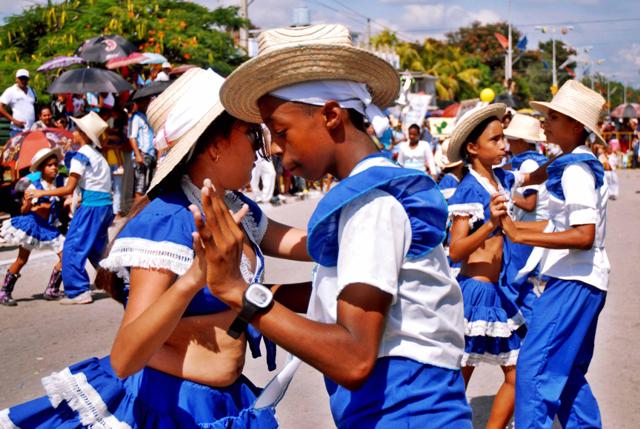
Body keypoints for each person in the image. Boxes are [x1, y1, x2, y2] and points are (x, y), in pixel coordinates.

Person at [0, 67, 307, 428]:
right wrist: (193, 278)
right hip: (167, 405)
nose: (262, 150)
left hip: (219, 399)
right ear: (215, 145)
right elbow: (125, 356)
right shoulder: (168, 221)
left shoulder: (237, 208)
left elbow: (303, 244)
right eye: (252, 136)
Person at [209, 24, 472, 428]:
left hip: (405, 411)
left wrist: (238, 293)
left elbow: (353, 358)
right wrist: (261, 295)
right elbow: (343, 290)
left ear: (331, 116)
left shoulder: (372, 206)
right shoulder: (366, 196)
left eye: (280, 131)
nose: (275, 149)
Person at [500, 80, 609, 429]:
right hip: (583, 280)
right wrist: (512, 227)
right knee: (567, 373)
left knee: (535, 371)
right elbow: (554, 223)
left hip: (573, 279)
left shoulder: (576, 170)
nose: (544, 123)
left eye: (553, 117)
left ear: (576, 126)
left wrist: (517, 231)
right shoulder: (573, 162)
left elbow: (583, 235)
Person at [446, 104, 529, 429]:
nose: (503, 145)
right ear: (472, 148)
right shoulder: (468, 189)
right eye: (495, 140)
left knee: (516, 372)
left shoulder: (501, 179)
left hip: (495, 293)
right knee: (459, 377)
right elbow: (455, 251)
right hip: (474, 293)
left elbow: (533, 176)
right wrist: (490, 224)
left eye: (503, 138)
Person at [26, 111, 113, 305]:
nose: (71, 132)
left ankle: (78, 291)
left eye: (75, 129)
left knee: (72, 247)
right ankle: (119, 282)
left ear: (82, 133)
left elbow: (69, 188)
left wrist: (41, 193)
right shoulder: (97, 156)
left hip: (91, 207)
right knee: (98, 250)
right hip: (104, 206)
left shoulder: (80, 156)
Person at [0, 148, 66, 305]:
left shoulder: (59, 184)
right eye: (50, 165)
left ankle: (52, 289)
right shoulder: (33, 186)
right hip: (32, 226)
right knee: (22, 259)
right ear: (42, 168)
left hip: (49, 228)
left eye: (55, 165)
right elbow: (23, 210)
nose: (54, 168)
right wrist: (30, 203)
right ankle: (4, 291)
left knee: (66, 256)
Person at [503, 113, 549, 323]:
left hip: (526, 231)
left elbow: (529, 203)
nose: (507, 143)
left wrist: (501, 192)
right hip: (531, 231)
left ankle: (521, 329)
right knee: (523, 287)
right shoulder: (533, 160)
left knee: (512, 284)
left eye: (510, 138)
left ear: (521, 141)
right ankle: (532, 327)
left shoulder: (529, 165)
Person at [128, 94, 156, 200]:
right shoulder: (136, 118)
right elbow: (132, 137)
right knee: (140, 189)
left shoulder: (145, 117)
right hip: (142, 155)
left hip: (149, 154)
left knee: (145, 187)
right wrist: (138, 155)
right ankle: (136, 215)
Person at [0, 69, 36, 136]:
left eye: (25, 79)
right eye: (21, 78)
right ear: (16, 79)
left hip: (31, 130)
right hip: (17, 130)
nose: (23, 81)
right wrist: (14, 121)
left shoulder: (32, 90)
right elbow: (0, 107)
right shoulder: (11, 91)